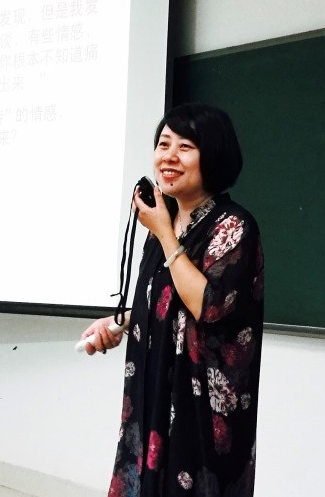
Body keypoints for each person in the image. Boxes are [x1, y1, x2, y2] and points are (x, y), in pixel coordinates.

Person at [82, 103, 265, 497]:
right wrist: (120, 323)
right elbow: (166, 299)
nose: (168, 156)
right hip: (154, 395)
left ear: (212, 155)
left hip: (201, 412)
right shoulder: (161, 224)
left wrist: (166, 234)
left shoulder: (233, 226)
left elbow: (207, 305)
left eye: (185, 147)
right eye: (163, 144)